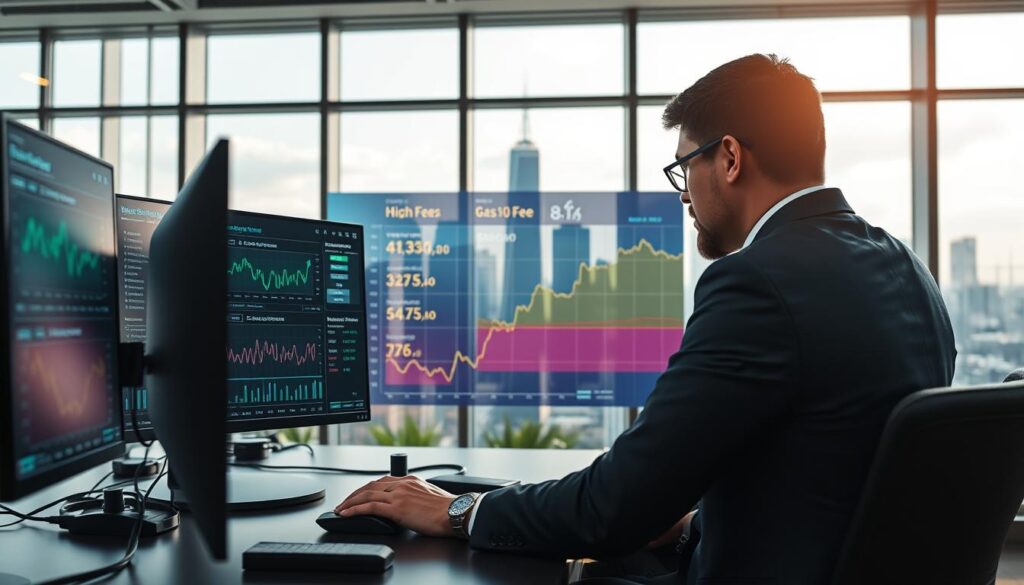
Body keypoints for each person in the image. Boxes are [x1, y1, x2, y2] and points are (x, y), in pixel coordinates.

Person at [334, 54, 956, 584]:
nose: (682, 192)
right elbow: (830, 472)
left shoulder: (758, 282)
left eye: (685, 167)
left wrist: (459, 512)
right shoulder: (906, 267)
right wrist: (689, 524)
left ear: (730, 158)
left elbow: (610, 509)